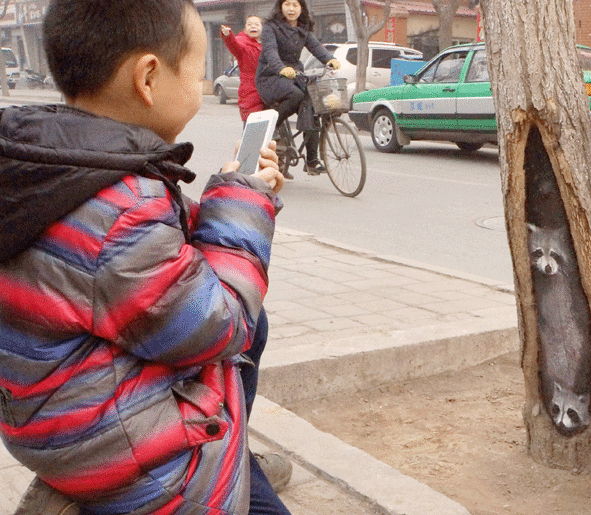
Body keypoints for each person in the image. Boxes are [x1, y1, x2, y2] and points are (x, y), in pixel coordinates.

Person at [0, 1, 294, 514]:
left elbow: (136, 257)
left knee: (256, 321)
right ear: (149, 78)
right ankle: (228, 455)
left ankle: (235, 448)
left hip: (52, 416)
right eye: (197, 70)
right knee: (245, 321)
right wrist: (246, 205)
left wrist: (230, 192)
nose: (203, 85)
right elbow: (216, 322)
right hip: (134, 462)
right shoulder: (123, 205)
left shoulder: (57, 161)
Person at [255, 0, 340, 176]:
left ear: (302, 8)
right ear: (281, 6)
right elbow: (270, 52)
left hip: (294, 75)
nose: (291, 9)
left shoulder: (303, 29)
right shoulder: (271, 27)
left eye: (295, 5)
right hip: (270, 76)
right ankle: (273, 126)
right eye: (287, 4)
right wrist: (280, 68)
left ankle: (312, 161)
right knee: (296, 95)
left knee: (312, 105)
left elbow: (316, 47)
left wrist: (329, 59)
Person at [221, 15, 265, 123]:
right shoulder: (242, 42)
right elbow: (234, 45)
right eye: (249, 24)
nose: (252, 27)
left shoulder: (268, 43)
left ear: (263, 28)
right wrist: (227, 35)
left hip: (268, 87)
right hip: (250, 89)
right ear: (245, 29)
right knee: (252, 124)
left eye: (256, 24)